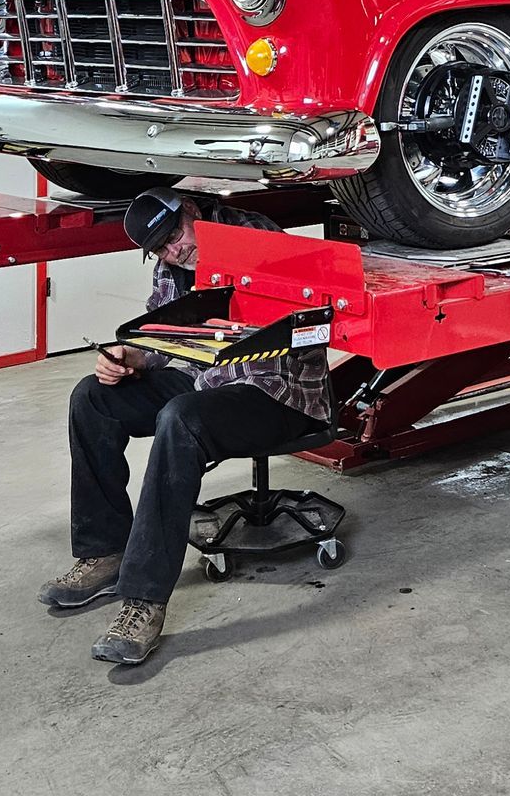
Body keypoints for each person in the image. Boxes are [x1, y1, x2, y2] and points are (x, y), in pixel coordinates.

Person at [39, 189, 332, 667]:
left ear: (192, 211)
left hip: (277, 392)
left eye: (175, 236)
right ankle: (106, 551)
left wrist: (210, 338)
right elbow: (166, 331)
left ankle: (143, 601)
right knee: (92, 398)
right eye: (160, 249)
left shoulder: (253, 237)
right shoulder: (173, 262)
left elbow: (300, 325)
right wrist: (131, 356)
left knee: (181, 417)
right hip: (207, 378)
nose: (173, 251)